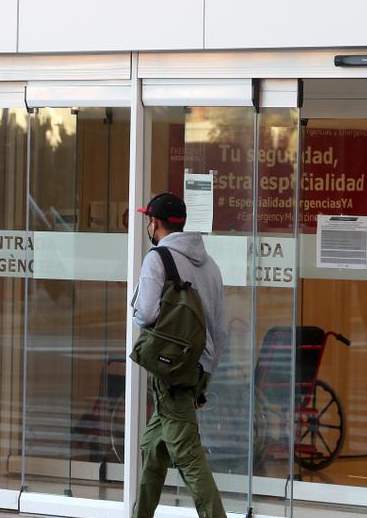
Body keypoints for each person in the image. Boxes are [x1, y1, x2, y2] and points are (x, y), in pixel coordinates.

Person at [132, 192, 229, 518]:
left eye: (149, 219)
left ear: (155, 222)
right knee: (153, 451)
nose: (148, 224)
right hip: (196, 370)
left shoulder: (158, 258)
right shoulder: (211, 265)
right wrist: (205, 379)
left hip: (170, 371)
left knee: (188, 457)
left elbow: (145, 314)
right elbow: (219, 330)